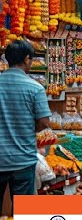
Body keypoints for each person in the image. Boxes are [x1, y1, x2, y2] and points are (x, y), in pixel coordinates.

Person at [0, 40, 51, 200]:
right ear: (27, 59)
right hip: (23, 160)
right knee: (24, 214)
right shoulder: (35, 88)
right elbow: (44, 122)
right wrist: (28, 128)